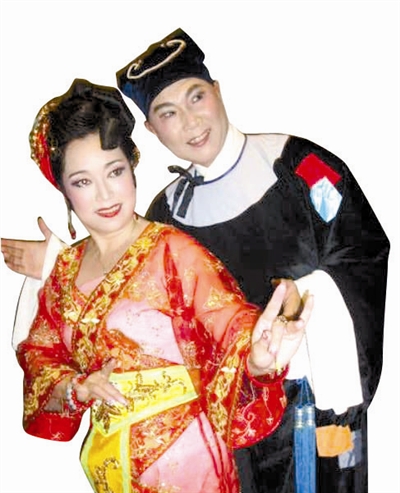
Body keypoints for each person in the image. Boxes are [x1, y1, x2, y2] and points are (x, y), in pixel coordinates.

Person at [1, 28, 390, 493]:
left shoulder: (298, 166)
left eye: (196, 97)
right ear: (151, 130)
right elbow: (124, 285)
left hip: (309, 397)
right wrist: (57, 265)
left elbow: (362, 250)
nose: (189, 122)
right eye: (167, 113)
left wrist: (300, 310)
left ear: (218, 90)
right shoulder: (168, 210)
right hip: (224, 419)